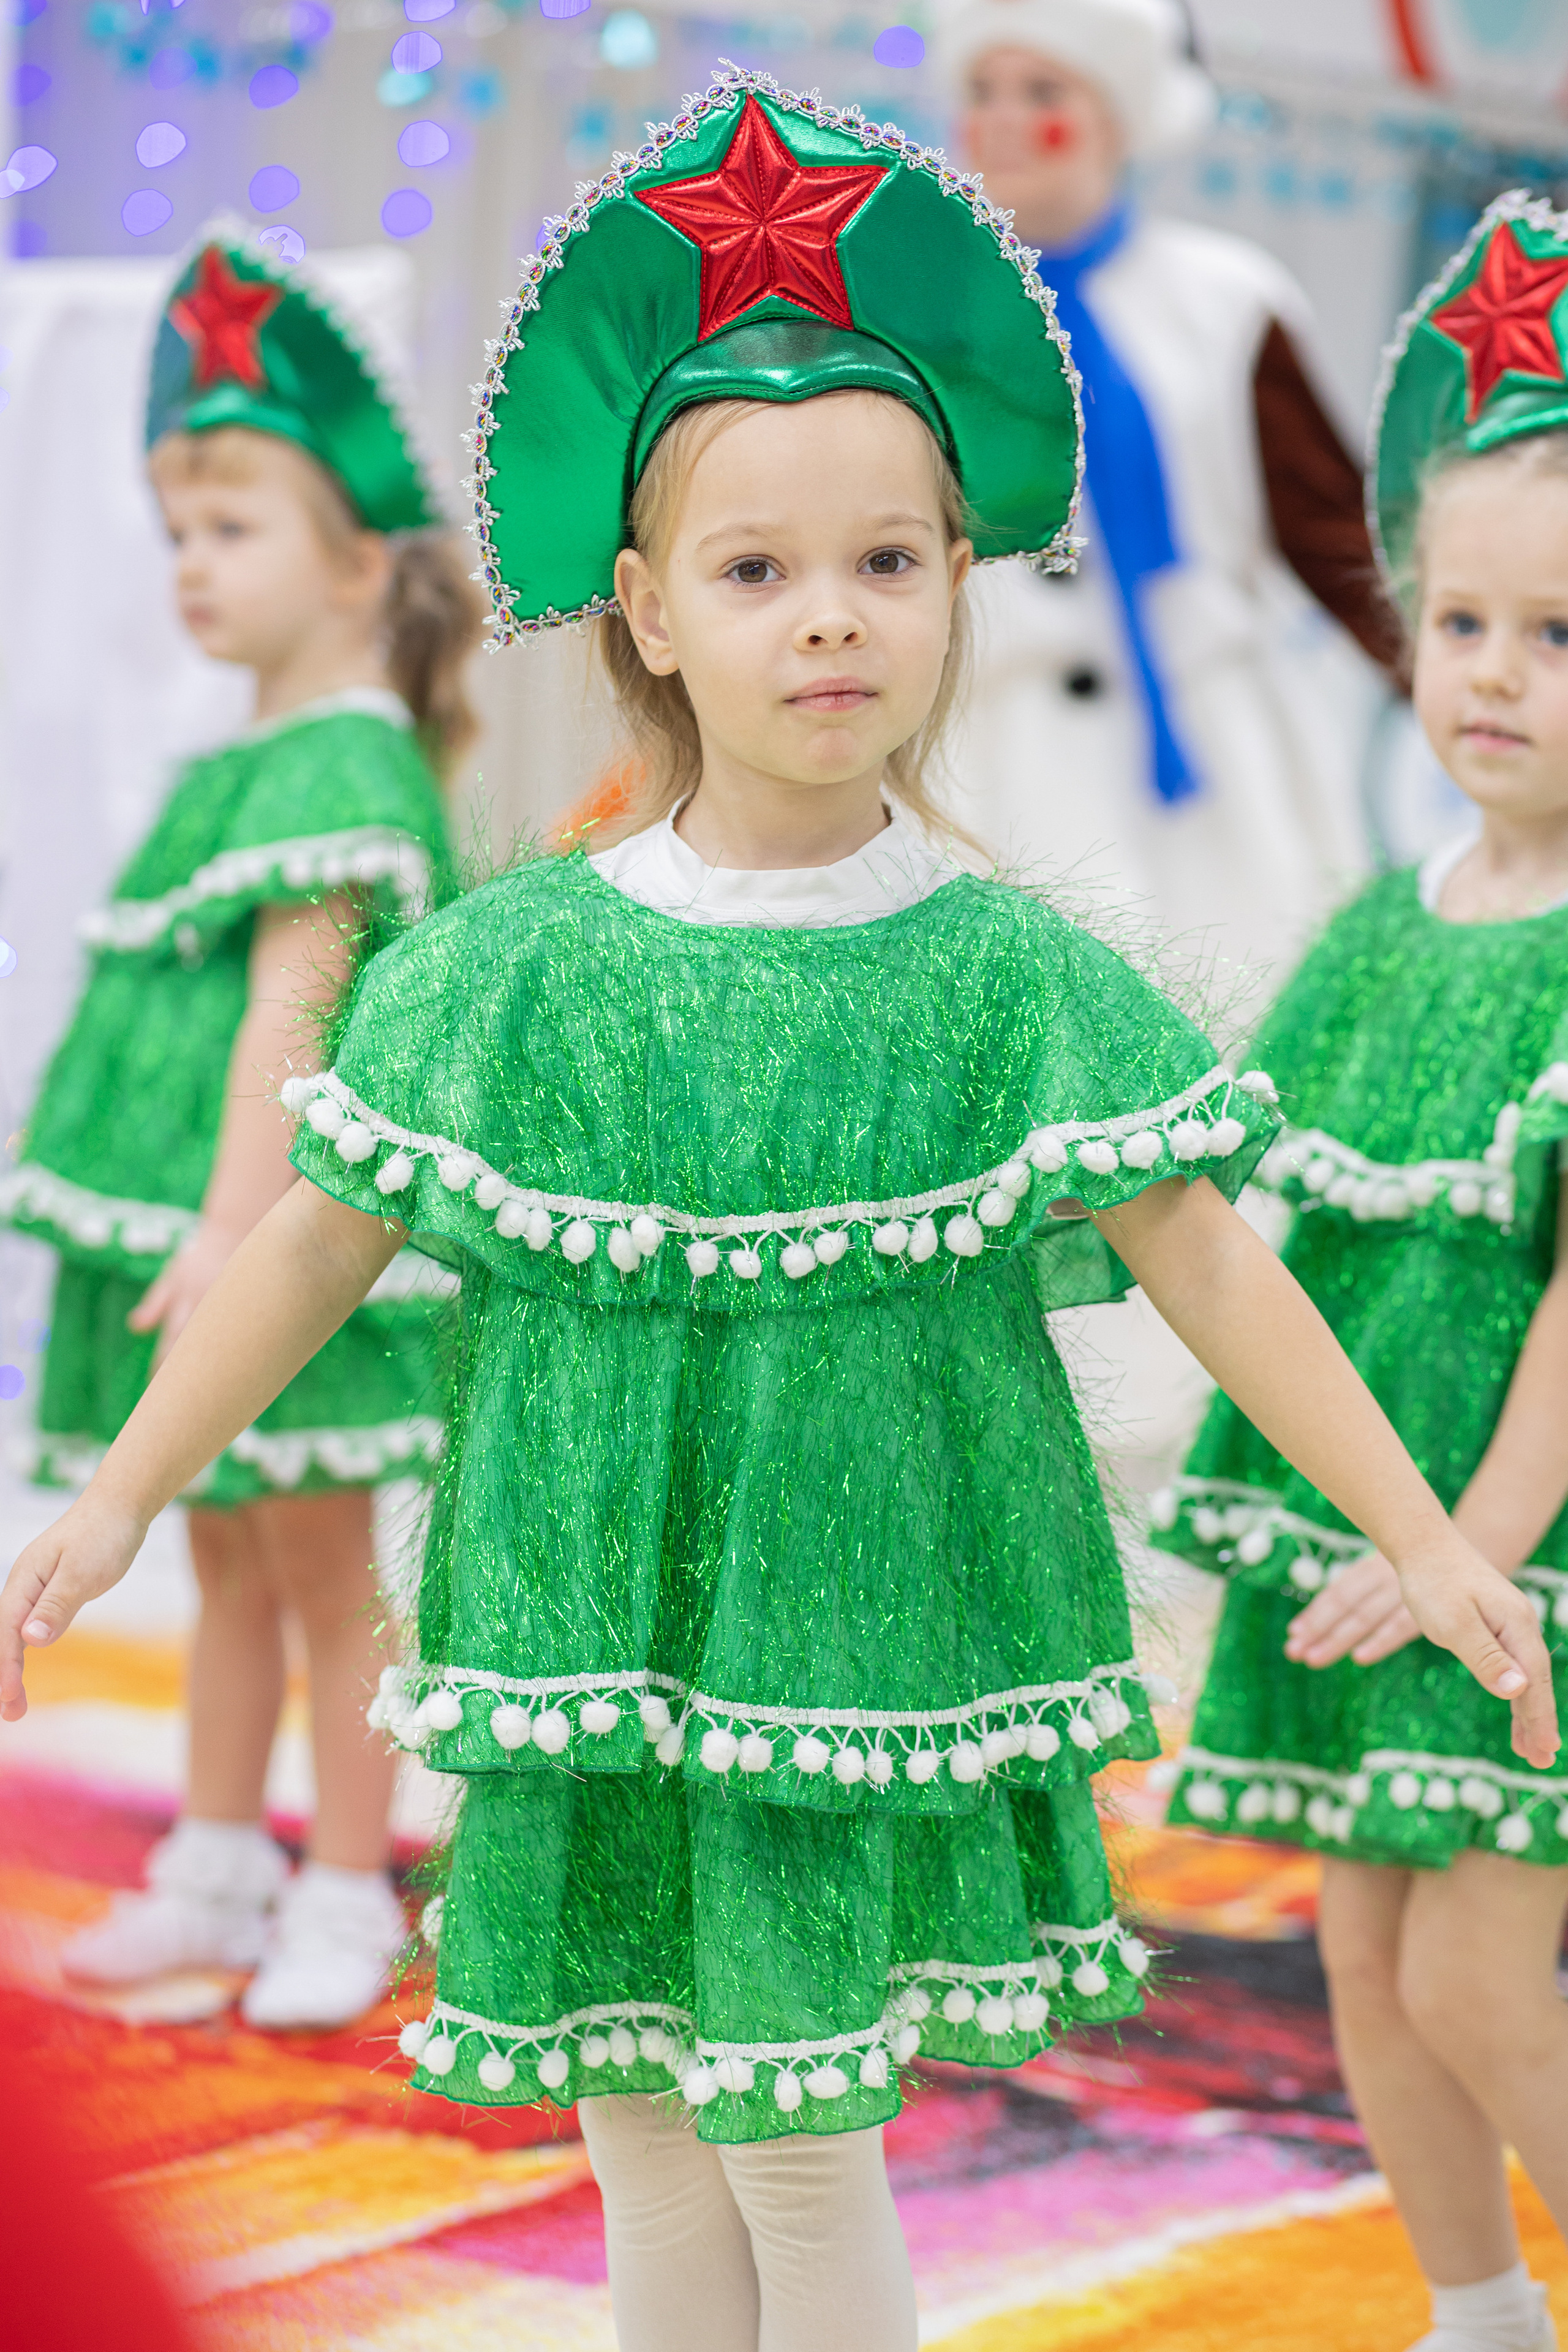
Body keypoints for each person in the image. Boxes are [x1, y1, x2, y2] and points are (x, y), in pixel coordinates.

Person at [1, 82, 1555, 2352]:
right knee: (642, 2129)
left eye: (887, 564)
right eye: (756, 572)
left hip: (838, 1632)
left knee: (799, 2145)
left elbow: (1211, 1260)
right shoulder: (510, 969)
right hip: (590, 1622)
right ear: (645, 608)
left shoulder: (1006, 974)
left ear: (958, 582)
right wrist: (125, 1488)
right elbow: (320, 1240)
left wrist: (1423, 1533)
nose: (831, 621)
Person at [1155, 193, 1568, 2352]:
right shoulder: (1378, 926)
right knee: (1366, 1956)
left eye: (1562, 636)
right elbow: (1236, 1216)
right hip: (1376, 1530)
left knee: (1480, 1973)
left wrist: (1471, 1551)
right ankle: (1476, 2311)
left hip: (1521, 1548)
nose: (1491, 673)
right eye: (1462, 619)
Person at [0, 231, 482, 2029]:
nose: (191, 565)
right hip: (192, 1244)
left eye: (232, 527)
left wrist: (229, 1228)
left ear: (358, 561)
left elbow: (297, 1013)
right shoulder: (235, 764)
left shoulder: (343, 764)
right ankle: (215, 1863)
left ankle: (347, 1879)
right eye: (177, 532)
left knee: (320, 1567)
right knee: (216, 1552)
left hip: (273, 1249)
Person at [933, 0, 1405, 986]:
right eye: (983, 91)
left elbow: (1332, 533)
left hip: (1212, 759)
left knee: (1237, 1003)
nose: (1005, 119)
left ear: (1115, 116)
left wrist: (1461, 673)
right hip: (996, 759)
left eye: (1042, 91)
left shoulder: (1226, 300)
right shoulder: (920, 320)